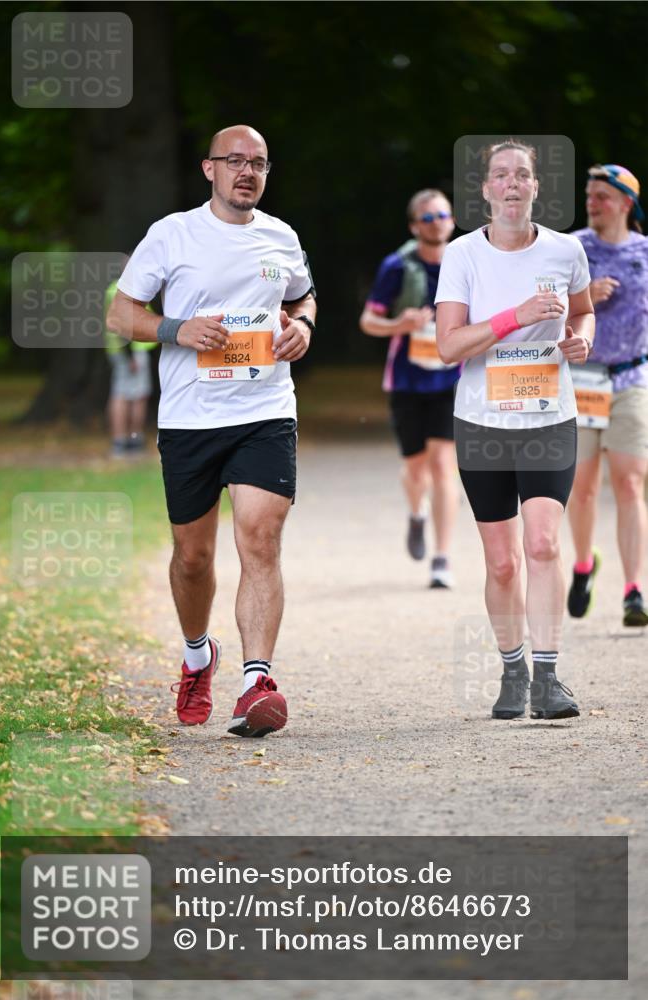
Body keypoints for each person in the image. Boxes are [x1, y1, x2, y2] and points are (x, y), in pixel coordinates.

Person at [107, 125, 316, 737]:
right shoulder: (172, 234)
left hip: (266, 411)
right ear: (210, 169)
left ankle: (257, 683)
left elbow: (304, 299)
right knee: (193, 558)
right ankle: (199, 653)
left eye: (258, 163)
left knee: (260, 538)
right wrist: (177, 330)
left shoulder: (282, 237)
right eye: (235, 161)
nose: (247, 171)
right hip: (191, 419)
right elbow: (123, 314)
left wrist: (303, 327)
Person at [435, 139, 595, 721]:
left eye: (520, 175)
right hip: (483, 424)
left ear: (534, 187)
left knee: (544, 543)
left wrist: (583, 339)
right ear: (485, 190)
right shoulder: (462, 256)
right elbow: (449, 346)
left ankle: (549, 679)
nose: (510, 184)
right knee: (502, 562)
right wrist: (515, 318)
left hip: (551, 415)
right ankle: (512, 671)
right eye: (499, 175)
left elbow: (582, 311)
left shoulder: (565, 249)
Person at [359, 190, 459, 588]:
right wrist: (401, 323)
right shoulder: (396, 266)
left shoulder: (467, 262)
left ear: (452, 220)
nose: (436, 221)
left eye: (442, 214)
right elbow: (369, 320)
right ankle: (417, 513)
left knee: (442, 466)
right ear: (415, 226)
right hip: (406, 379)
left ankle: (442, 558)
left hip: (451, 377)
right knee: (416, 468)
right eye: (427, 216)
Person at [566, 164, 648, 628]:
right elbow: (545, 309)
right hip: (583, 382)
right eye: (589, 194)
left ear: (625, 203)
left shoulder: (644, 252)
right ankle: (583, 564)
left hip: (633, 379)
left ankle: (634, 589)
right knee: (582, 487)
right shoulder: (573, 247)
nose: (592, 202)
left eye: (601, 196)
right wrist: (586, 296)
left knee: (631, 484)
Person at [105, 267, 157, 458]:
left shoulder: (112, 289)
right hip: (131, 351)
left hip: (120, 350)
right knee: (134, 396)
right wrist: (130, 356)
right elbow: (121, 324)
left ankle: (121, 439)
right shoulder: (126, 292)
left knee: (122, 393)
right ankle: (132, 439)